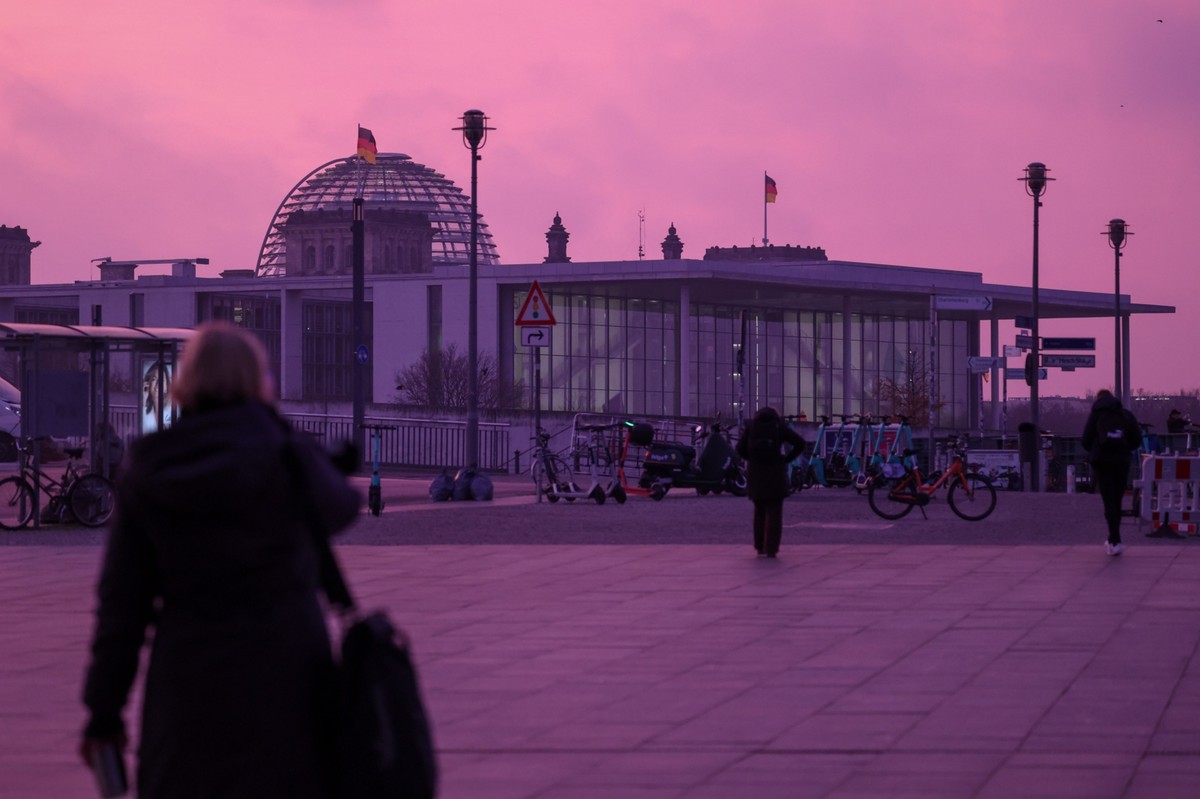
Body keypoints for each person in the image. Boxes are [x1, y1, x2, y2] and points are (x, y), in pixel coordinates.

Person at [80, 322, 361, 798]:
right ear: (258, 380)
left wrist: (103, 712)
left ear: (185, 381)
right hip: (288, 673)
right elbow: (342, 508)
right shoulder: (285, 454)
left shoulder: (150, 465)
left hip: (188, 676)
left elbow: (121, 609)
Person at [736, 406, 806, 558]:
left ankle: (759, 547)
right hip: (775, 472)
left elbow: (740, 448)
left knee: (759, 511)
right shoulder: (779, 426)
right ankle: (771, 548)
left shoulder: (752, 426)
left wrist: (752, 459)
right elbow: (800, 443)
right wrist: (786, 459)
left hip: (756, 473)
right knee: (774, 512)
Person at [1081, 389, 1142, 556]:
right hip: (1122, 462)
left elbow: (1085, 440)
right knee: (1117, 499)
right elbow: (1137, 440)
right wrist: (1123, 448)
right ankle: (1114, 538)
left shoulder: (1096, 415)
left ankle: (1115, 541)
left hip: (1102, 462)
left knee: (1109, 501)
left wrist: (1097, 449)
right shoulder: (1126, 415)